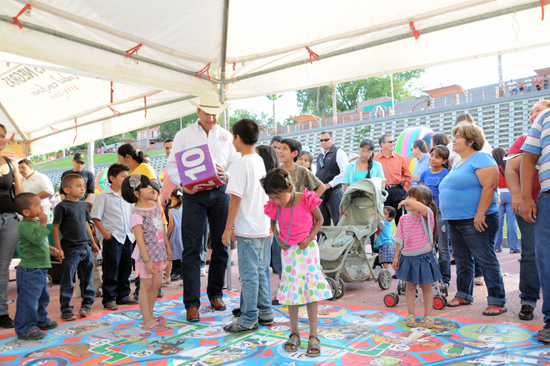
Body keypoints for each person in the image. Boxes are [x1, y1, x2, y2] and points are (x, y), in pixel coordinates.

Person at [166, 91, 240, 322]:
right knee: (191, 248)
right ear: (197, 111)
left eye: (216, 114)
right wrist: (183, 184)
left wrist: (225, 174)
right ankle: (191, 304)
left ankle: (215, 294)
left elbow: (235, 164)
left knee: (221, 245)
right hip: (193, 195)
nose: (212, 118)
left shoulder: (226, 136)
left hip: (220, 194)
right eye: (207, 113)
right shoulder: (183, 135)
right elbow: (171, 166)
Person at [262, 168, 332, 357]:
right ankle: (294, 332)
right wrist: (279, 238)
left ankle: (314, 335)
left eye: (278, 196)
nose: (276, 201)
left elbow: (319, 219)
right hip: (289, 253)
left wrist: (309, 238)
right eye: (272, 198)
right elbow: (272, 222)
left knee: (310, 292)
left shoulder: (306, 199)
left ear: (290, 188)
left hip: (307, 251)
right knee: (292, 292)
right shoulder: (275, 205)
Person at [439, 124, 507, 316]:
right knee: (462, 259)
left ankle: (497, 300)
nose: (454, 140)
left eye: (458, 137)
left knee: (484, 257)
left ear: (471, 141)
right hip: (456, 219)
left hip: (475, 218)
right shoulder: (461, 161)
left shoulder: (482, 158)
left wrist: (480, 214)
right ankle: (463, 294)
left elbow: (490, 185)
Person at [221, 119, 274, 334]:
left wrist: (227, 228)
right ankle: (265, 311)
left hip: (249, 227)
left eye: (233, 137)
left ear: (238, 138)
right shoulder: (259, 160)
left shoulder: (241, 163)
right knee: (260, 271)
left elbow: (235, 198)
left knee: (249, 274)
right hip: (261, 225)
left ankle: (249, 318)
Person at [506, 100, 549, 322]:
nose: (533, 116)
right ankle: (528, 300)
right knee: (531, 252)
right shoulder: (524, 139)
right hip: (531, 203)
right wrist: (519, 197)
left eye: (538, 111)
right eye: (531, 114)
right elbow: (511, 168)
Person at [122, 174, 171, 331]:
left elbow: (162, 228)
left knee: (156, 284)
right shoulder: (136, 213)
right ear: (136, 193)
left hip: (159, 253)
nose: (151, 187)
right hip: (145, 257)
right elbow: (140, 240)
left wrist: (167, 246)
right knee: (145, 286)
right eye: (146, 186)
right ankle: (146, 320)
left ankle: (150, 314)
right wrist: (147, 260)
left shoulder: (156, 206)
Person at [519, 105, 550, 343]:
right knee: (545, 258)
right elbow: (528, 159)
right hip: (547, 197)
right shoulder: (543, 118)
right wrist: (527, 197)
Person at [392, 185, 441, 328]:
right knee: (410, 287)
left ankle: (428, 315)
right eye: (406, 197)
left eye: (410, 197)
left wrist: (407, 201)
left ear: (422, 203)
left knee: (426, 287)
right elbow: (399, 240)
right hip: (407, 258)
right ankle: (411, 313)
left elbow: (424, 209)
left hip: (424, 258)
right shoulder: (403, 219)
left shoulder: (427, 216)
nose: (406, 200)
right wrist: (396, 256)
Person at [52, 174, 99, 321]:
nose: (82, 189)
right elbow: (55, 228)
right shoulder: (61, 207)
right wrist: (59, 249)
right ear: (66, 189)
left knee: (87, 278)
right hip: (71, 250)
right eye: (78, 186)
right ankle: (66, 308)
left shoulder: (83, 205)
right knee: (67, 279)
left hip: (85, 247)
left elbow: (86, 224)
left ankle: (87, 304)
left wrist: (92, 242)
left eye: (83, 186)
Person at [13, 193, 60, 340]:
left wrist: (49, 248)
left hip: (39, 268)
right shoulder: (24, 225)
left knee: (42, 297)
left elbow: (40, 242)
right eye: (37, 205)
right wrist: (43, 224)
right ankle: (25, 328)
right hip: (30, 270)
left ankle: (40, 321)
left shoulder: (34, 223)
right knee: (28, 300)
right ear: (26, 212)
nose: (41, 207)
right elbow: (36, 238)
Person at [91, 163, 137, 310]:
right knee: (111, 268)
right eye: (123, 176)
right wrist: (104, 233)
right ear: (112, 178)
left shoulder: (127, 195)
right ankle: (109, 298)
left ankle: (123, 295)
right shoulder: (103, 196)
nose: (126, 179)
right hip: (113, 237)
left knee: (126, 267)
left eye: (127, 176)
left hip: (127, 236)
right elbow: (95, 217)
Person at [419, 145, 451, 286]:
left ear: (444, 161)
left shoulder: (446, 173)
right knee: (426, 246)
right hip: (425, 213)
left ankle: (445, 278)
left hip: (441, 213)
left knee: (443, 247)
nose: (432, 159)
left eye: (437, 157)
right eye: (432, 155)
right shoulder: (425, 174)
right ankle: (429, 275)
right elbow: (421, 193)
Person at [374, 134, 411, 225]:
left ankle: (402, 239)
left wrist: (404, 191)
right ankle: (384, 239)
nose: (393, 143)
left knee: (401, 219)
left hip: (398, 191)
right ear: (382, 144)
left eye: (394, 141)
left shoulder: (400, 158)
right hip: (382, 192)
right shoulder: (374, 159)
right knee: (383, 220)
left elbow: (407, 176)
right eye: (390, 141)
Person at [315, 131, 348, 226]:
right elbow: (318, 174)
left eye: (326, 139)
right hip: (322, 193)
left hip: (335, 192)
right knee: (323, 222)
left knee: (338, 221)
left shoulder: (339, 152)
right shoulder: (320, 156)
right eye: (321, 140)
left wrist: (329, 185)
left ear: (332, 139)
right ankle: (326, 241)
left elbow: (344, 173)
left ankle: (341, 241)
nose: (323, 142)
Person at [492, 147, 520, 253]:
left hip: (498, 194)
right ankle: (514, 247)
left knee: (498, 222)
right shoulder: (508, 166)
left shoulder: (494, 167)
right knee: (511, 221)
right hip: (510, 193)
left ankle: (497, 246)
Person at [167, 188, 184, 286]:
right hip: (183, 234)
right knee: (184, 257)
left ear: (174, 198)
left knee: (169, 257)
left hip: (175, 235)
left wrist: (166, 237)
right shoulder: (186, 208)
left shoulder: (171, 210)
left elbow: (171, 226)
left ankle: (168, 277)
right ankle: (185, 278)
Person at [374, 206, 396, 274]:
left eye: (385, 214)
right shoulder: (386, 222)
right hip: (388, 244)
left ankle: (386, 274)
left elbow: (380, 223)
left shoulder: (384, 222)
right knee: (391, 261)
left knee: (385, 261)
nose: (382, 215)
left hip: (386, 244)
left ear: (390, 218)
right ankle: (398, 273)